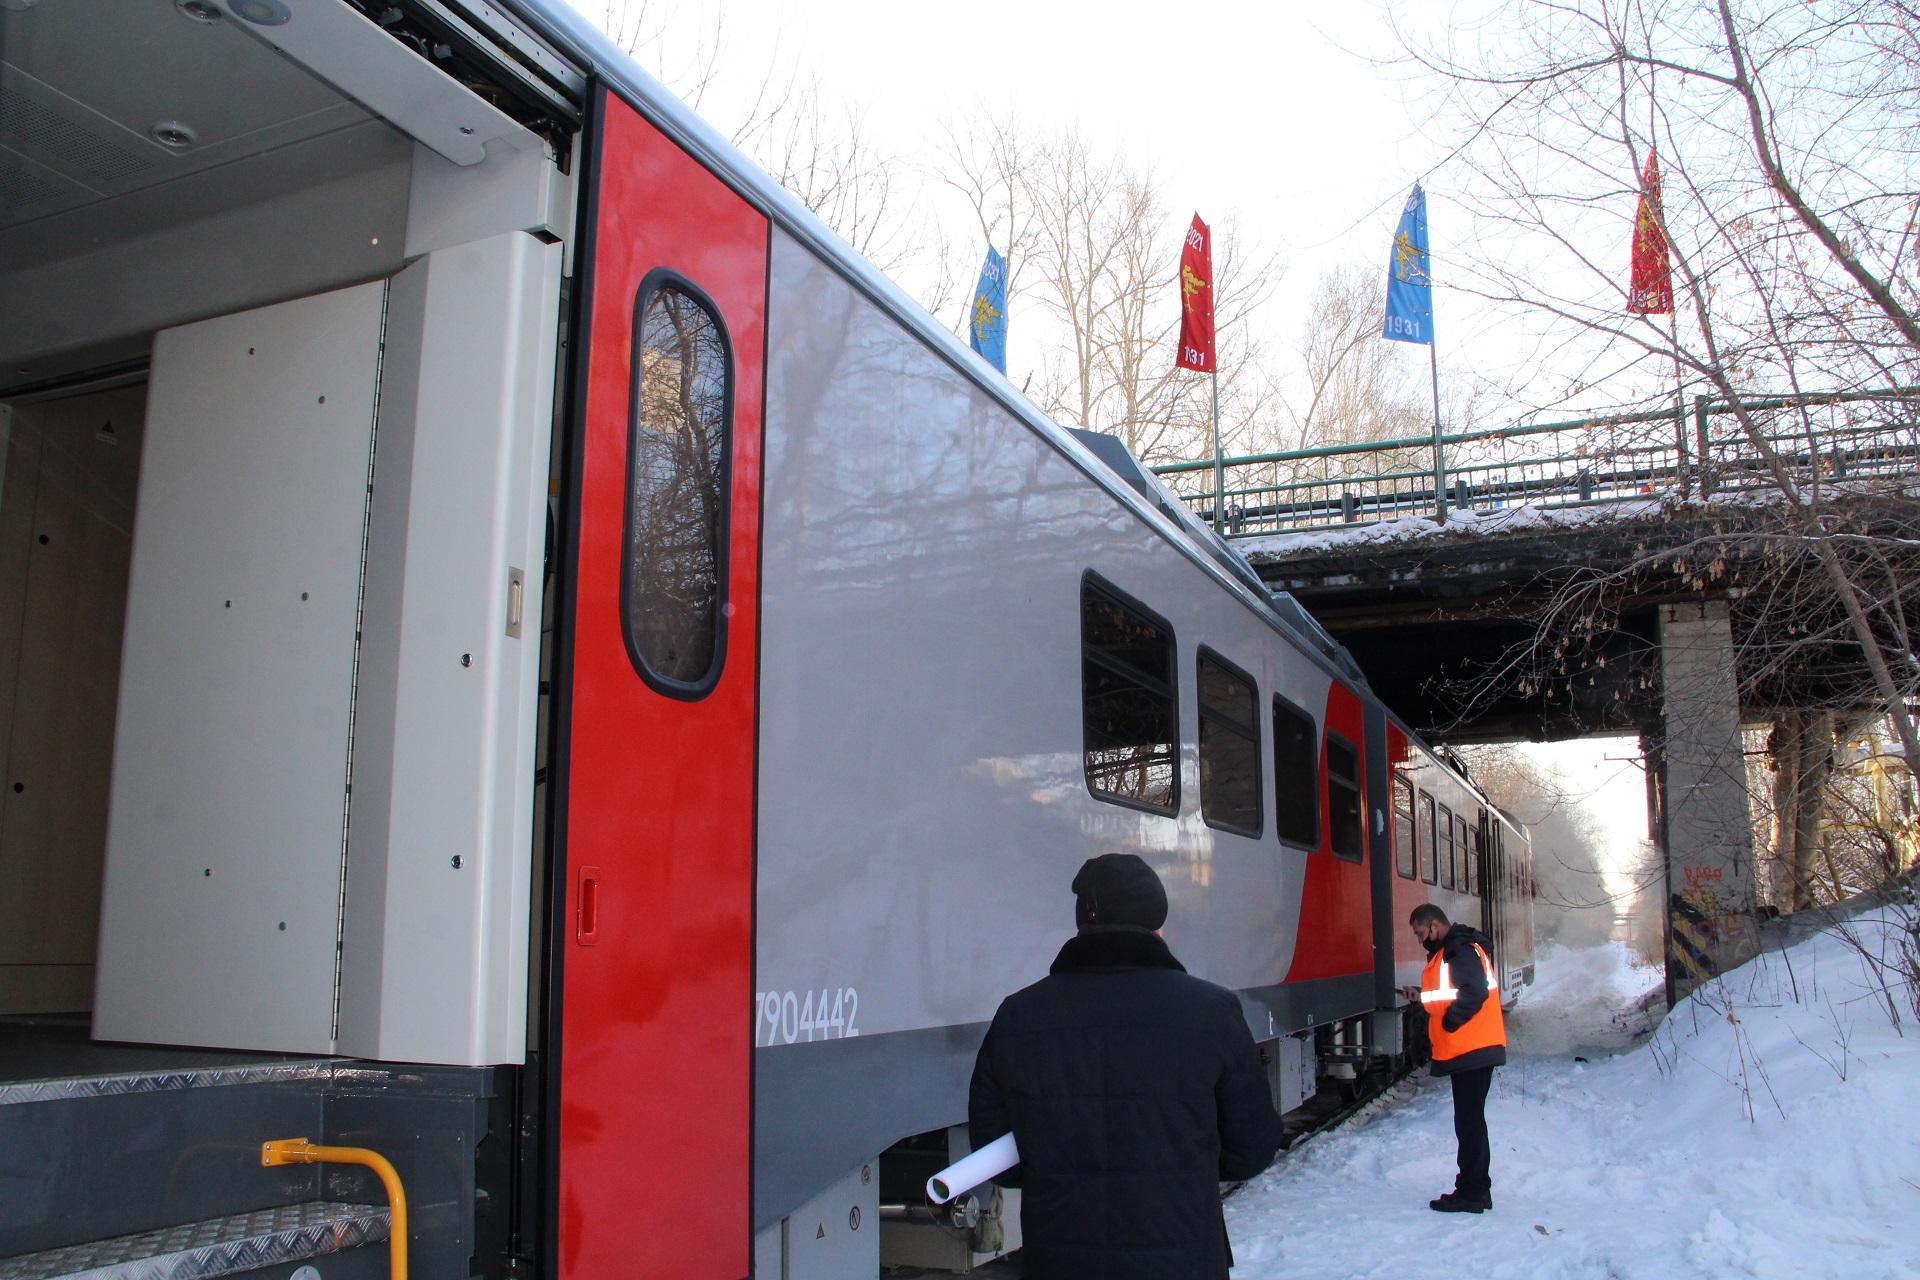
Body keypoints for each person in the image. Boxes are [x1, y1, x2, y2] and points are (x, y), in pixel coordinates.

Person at [968, 853, 1286, 1279]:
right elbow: (1252, 1148)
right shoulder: (1213, 1012)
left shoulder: (1019, 1015)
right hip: (1182, 1258)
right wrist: (1183, 1165)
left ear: (1084, 920)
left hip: (1061, 1261)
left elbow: (995, 1151)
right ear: (1158, 923)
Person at [1402, 903, 1507, 1213]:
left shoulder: (1457, 950)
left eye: (1421, 933)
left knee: (1470, 1123)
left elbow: (1473, 992)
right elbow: (1448, 994)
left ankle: (1473, 1192)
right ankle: (1474, 1188)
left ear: (1434, 926)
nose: (1421, 940)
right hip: (1472, 1049)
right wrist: (1420, 996)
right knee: (1470, 1122)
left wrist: (1451, 1022)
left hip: (1472, 1049)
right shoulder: (1453, 951)